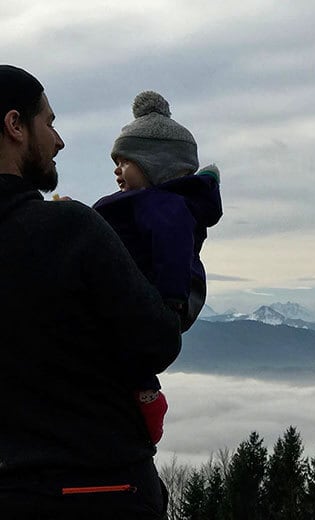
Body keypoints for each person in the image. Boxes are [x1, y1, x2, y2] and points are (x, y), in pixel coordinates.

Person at [0, 65, 181, 519]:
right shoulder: (69, 229)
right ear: (15, 125)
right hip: (98, 489)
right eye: (50, 122)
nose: (58, 140)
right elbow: (158, 339)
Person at [92, 91, 223, 446]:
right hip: (140, 292)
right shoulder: (143, 204)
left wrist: (170, 299)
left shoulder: (165, 207)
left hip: (157, 294)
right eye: (115, 163)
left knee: (130, 355)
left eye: (125, 162)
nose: (117, 171)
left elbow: (172, 252)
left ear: (154, 164)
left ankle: (148, 399)